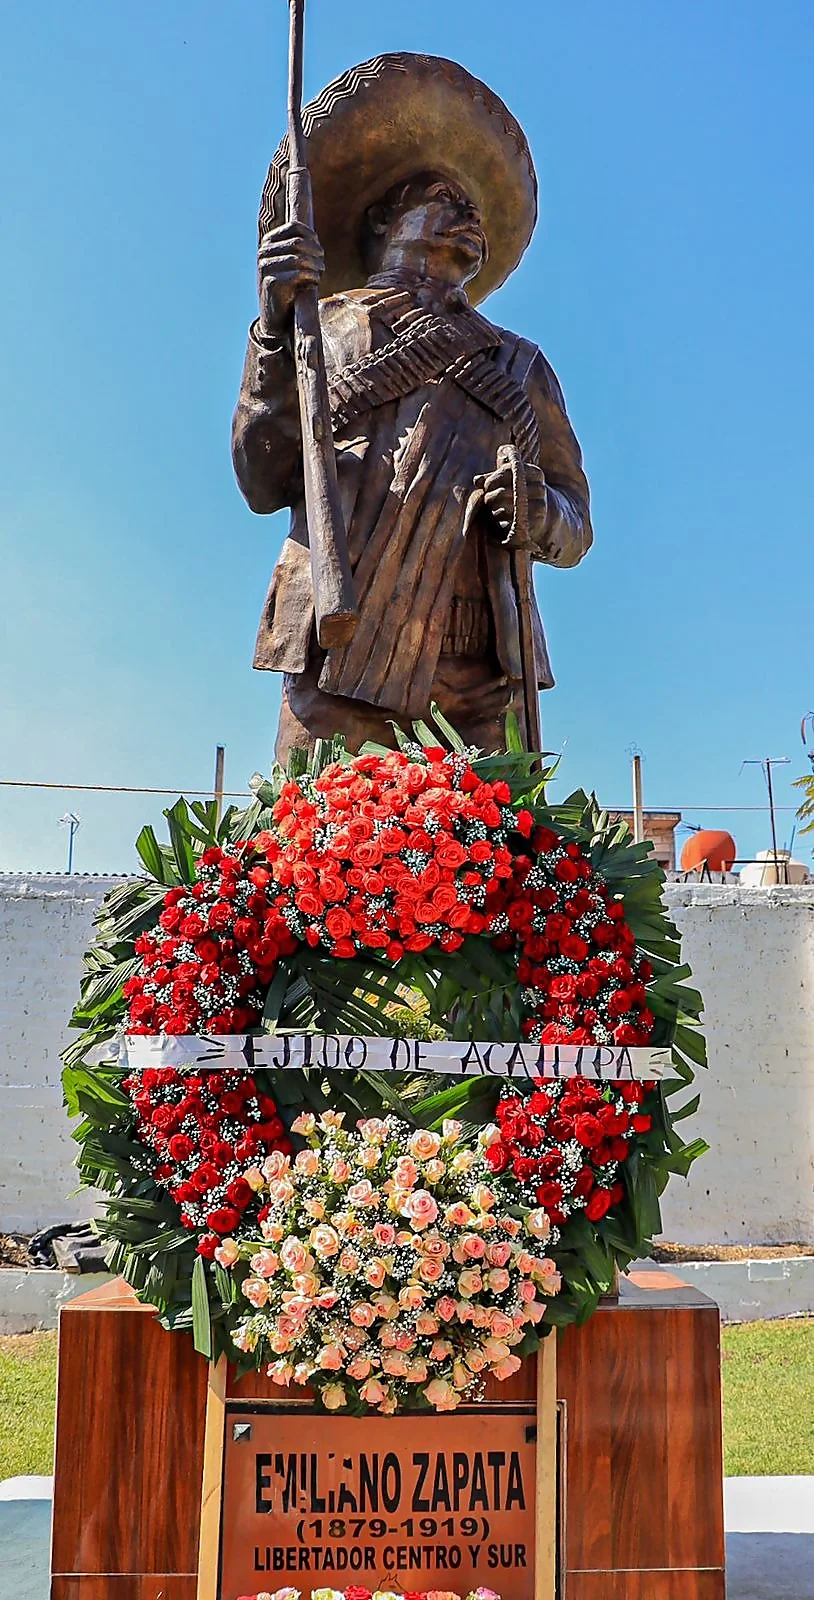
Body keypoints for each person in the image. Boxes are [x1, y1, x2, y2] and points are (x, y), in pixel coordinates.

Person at [232, 53, 592, 760]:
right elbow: (261, 479)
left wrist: (541, 512)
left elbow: (576, 518)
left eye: (475, 208)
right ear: (384, 218)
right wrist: (272, 330)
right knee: (323, 830)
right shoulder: (318, 327)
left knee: (495, 835)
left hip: (481, 673)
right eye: (445, 197)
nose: (470, 215)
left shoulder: (518, 365)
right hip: (342, 652)